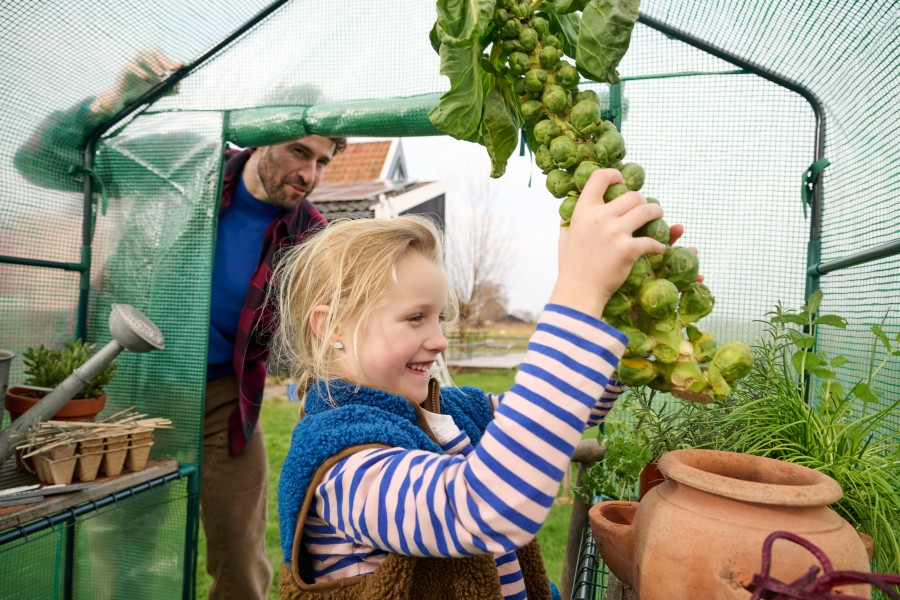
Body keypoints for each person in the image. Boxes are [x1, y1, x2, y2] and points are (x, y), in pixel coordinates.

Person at [14, 49, 346, 599]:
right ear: (263, 135)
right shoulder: (185, 167)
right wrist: (111, 99)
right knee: (126, 539)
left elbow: (329, 322)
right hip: (135, 384)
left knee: (242, 555)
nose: (308, 173)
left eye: (323, 161)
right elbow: (40, 162)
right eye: (298, 151)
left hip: (224, 398)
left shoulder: (309, 235)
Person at [268, 168, 667, 600]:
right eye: (414, 317)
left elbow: (568, 410)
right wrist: (579, 293)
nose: (439, 340)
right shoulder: (344, 464)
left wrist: (628, 329)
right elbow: (481, 509)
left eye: (439, 317)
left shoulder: (452, 411)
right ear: (332, 326)